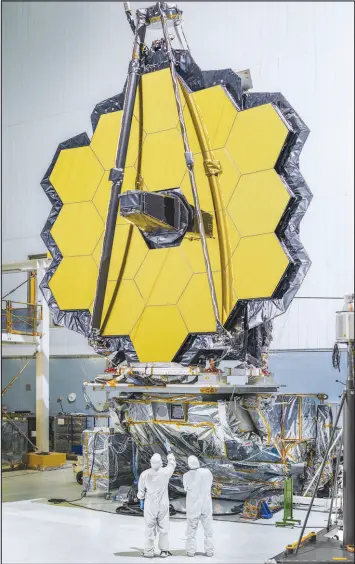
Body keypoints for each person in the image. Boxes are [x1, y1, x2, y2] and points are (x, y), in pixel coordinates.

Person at [137, 439, 176, 558]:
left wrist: (141, 499)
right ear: (160, 463)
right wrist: (169, 450)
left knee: (149, 527)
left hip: (150, 504)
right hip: (163, 503)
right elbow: (172, 463)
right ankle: (164, 551)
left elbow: (140, 493)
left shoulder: (144, 474)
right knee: (164, 527)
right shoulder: (165, 472)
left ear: (150, 462)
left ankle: (148, 552)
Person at [183, 455, 214, 557]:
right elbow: (210, 484)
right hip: (206, 504)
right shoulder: (207, 472)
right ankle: (209, 551)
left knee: (191, 529)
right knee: (208, 529)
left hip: (193, 506)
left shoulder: (186, 475)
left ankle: (191, 551)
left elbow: (185, 488)